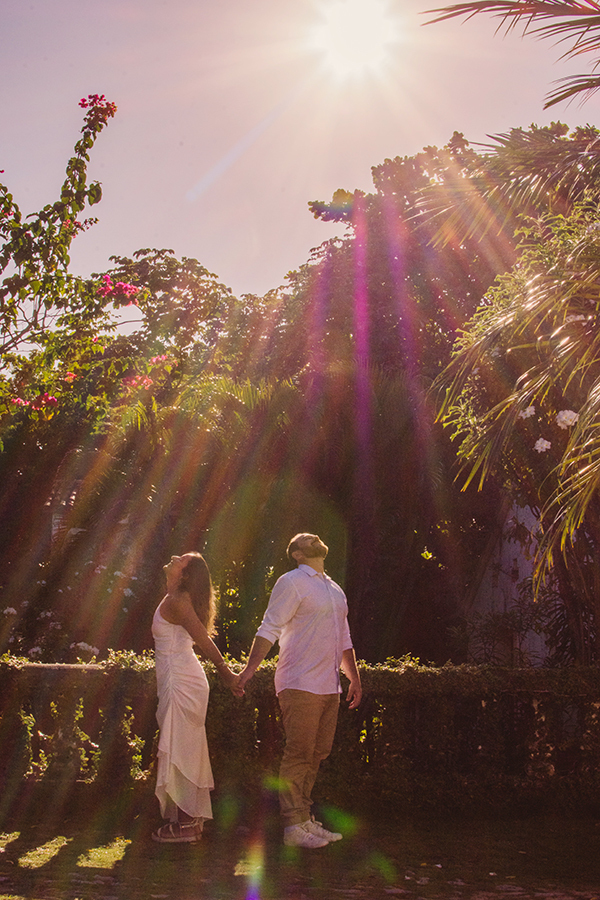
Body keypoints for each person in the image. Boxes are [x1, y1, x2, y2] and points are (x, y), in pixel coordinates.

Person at [238, 533, 362, 849]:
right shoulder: (291, 582)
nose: (314, 537)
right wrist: (249, 670)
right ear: (296, 554)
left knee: (318, 753)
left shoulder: (334, 589)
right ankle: (293, 826)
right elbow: (269, 627)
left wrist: (354, 680)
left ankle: (304, 818)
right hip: (299, 683)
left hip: (328, 687)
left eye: (315, 536)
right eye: (304, 539)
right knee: (299, 752)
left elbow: (344, 639)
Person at [152, 551, 241, 843]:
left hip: (182, 681)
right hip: (176, 677)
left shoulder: (178, 602)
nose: (175, 556)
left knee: (183, 748)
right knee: (183, 746)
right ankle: (188, 820)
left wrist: (228, 675)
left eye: (182, 559)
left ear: (186, 574)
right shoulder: (174, 597)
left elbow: (204, 641)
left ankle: (189, 824)